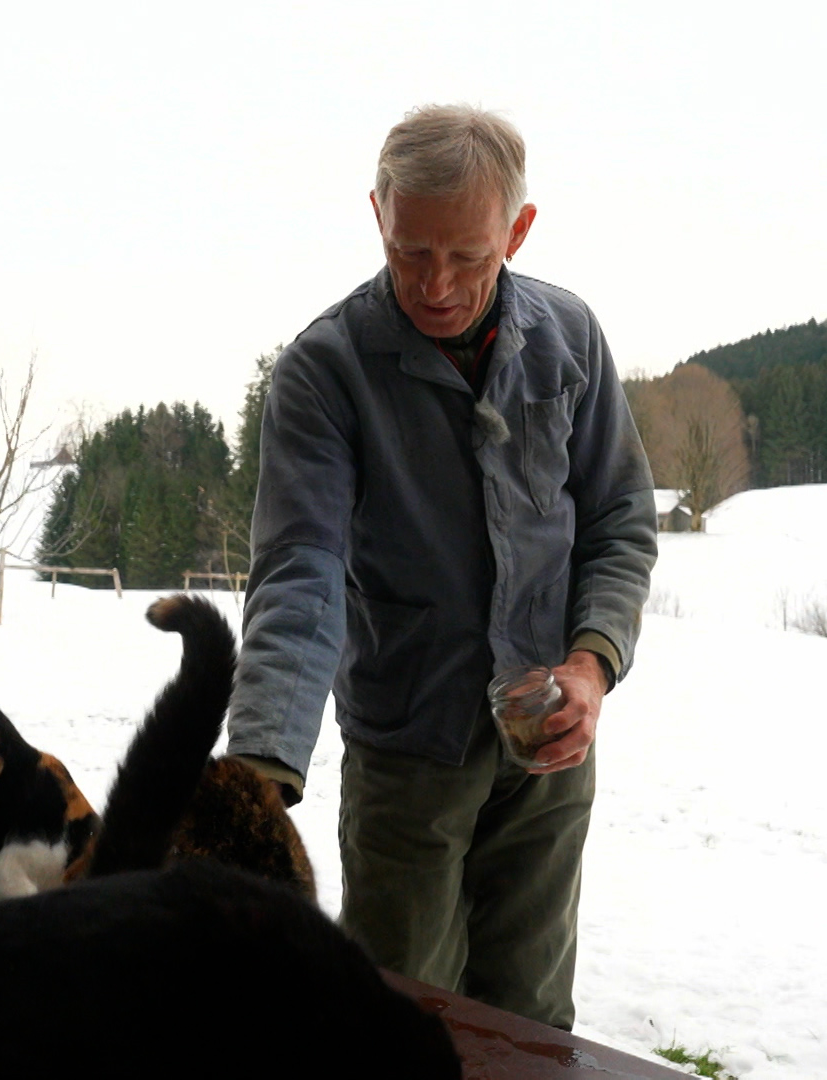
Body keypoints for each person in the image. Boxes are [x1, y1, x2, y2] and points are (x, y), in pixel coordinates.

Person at [226, 104, 657, 1030]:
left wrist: (592, 662)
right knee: (397, 1015)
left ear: (519, 229)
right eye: (410, 252)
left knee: (532, 1020)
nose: (436, 285)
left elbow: (620, 519)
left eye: (468, 256)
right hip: (406, 750)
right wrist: (259, 767)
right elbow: (302, 569)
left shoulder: (571, 339)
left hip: (547, 743)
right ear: (377, 214)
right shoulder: (324, 371)